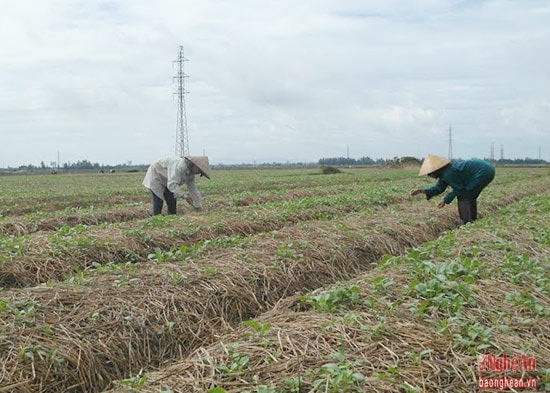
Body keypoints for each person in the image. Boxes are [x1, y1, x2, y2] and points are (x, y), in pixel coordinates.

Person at [410, 154, 495, 224]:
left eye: (429, 174)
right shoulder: (444, 172)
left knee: (464, 195)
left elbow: (459, 190)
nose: (430, 176)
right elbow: (438, 188)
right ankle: (472, 220)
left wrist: (445, 200)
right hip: (486, 169)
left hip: (483, 171)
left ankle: (465, 222)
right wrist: (421, 191)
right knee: (470, 195)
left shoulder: (448, 173)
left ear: (434, 171)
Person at [142, 156, 210, 215]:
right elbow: (172, 185)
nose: (198, 173)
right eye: (199, 171)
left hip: (168, 179)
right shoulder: (179, 167)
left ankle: (171, 219)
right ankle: (156, 218)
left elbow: (193, 189)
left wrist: (198, 205)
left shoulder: (190, 173)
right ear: (195, 165)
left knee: (172, 201)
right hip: (156, 175)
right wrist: (184, 195)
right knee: (158, 201)